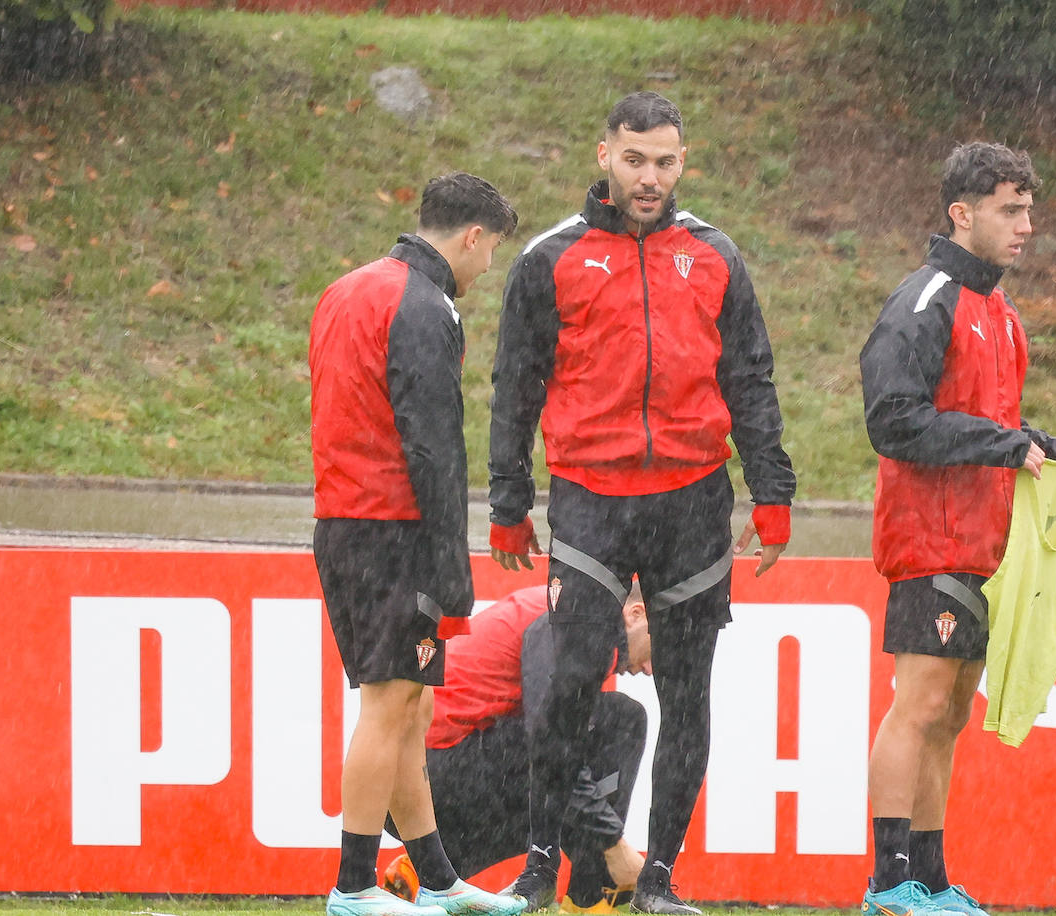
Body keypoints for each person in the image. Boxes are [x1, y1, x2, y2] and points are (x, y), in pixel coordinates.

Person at [487, 91, 797, 916]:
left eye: (664, 161)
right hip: (590, 503)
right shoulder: (548, 258)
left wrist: (774, 493)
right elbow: (513, 389)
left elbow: (752, 381)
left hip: (695, 505)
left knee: (689, 694)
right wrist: (508, 499)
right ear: (604, 157)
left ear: (682, 163)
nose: (649, 176)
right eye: (634, 160)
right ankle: (536, 870)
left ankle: (657, 880)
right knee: (572, 683)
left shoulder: (717, 255)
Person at [857, 142, 1056, 916]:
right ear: (961, 214)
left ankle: (929, 880)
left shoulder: (1001, 312)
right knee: (921, 705)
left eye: (1029, 209)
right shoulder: (925, 297)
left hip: (982, 541)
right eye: (1010, 209)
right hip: (928, 537)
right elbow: (892, 421)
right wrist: (1006, 445)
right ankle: (886, 883)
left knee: (953, 711)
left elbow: (995, 421)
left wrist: (1053, 448)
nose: (1026, 225)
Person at [310, 171, 526, 916]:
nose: (487, 266)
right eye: (492, 250)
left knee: (411, 706)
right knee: (391, 701)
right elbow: (433, 444)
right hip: (390, 525)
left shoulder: (348, 288)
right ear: (473, 236)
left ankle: (436, 878)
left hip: (344, 518)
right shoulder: (426, 305)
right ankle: (353, 886)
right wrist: (450, 560)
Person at [384, 582, 652, 915]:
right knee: (620, 721)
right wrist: (612, 844)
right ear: (636, 614)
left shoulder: (574, 605)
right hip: (431, 773)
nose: (650, 669)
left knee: (583, 749)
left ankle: (432, 867)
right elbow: (548, 736)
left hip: (416, 778)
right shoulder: (574, 619)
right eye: (659, 649)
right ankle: (591, 899)